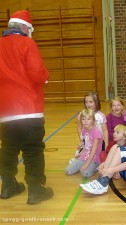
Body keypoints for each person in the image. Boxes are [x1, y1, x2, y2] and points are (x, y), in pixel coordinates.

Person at [0, 10, 54, 205]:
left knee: (8, 148)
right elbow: (37, 73)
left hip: (5, 111)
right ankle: (35, 189)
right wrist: (46, 76)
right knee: (32, 149)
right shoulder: (27, 43)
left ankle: (7, 185)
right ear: (24, 27)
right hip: (29, 108)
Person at [79, 119, 126, 194]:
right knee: (116, 147)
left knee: (121, 150)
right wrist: (104, 164)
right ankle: (101, 180)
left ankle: (103, 183)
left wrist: (110, 170)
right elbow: (119, 156)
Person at [66, 109, 102, 177]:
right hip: (85, 155)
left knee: (85, 173)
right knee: (68, 171)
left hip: (94, 158)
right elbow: (86, 145)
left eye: (88, 119)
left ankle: (96, 166)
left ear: (93, 120)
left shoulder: (96, 132)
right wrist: (80, 153)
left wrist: (86, 164)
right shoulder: (84, 130)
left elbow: (94, 150)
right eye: (83, 119)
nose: (85, 121)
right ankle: (84, 163)